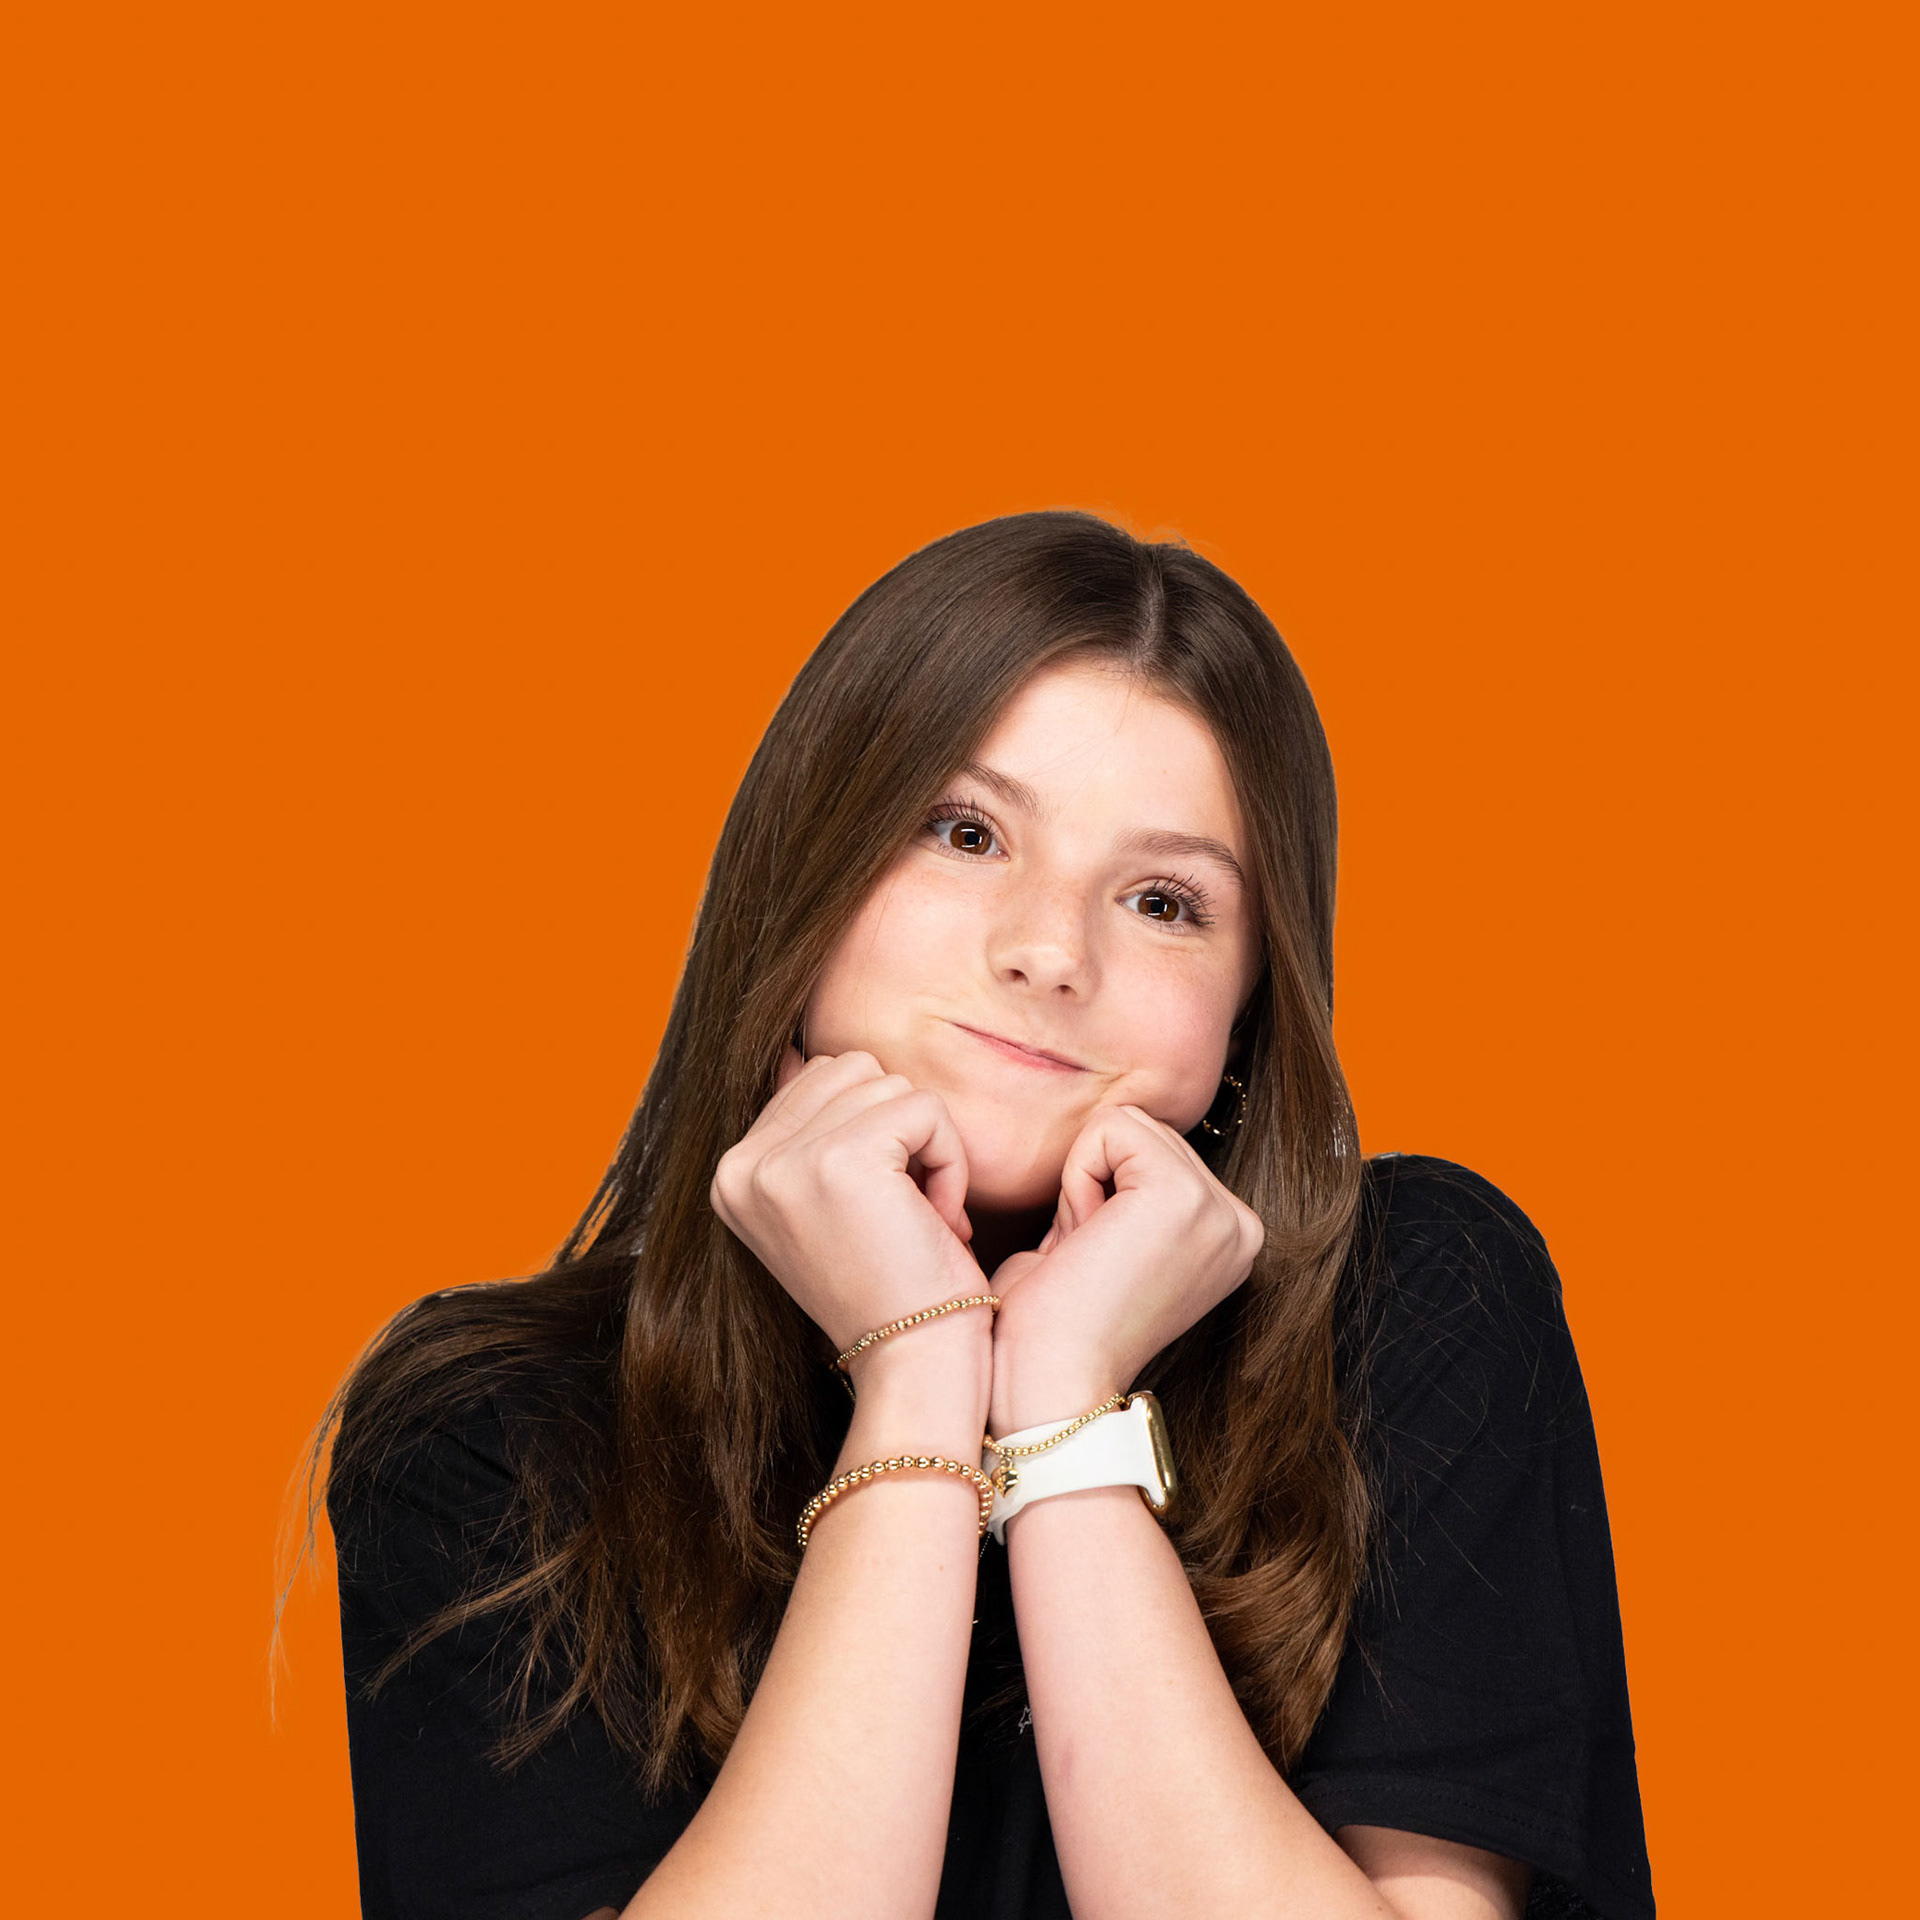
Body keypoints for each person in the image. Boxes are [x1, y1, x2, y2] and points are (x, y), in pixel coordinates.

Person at [320, 511, 1655, 1920]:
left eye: (1163, 901)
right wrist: (919, 1369)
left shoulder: (1410, 1303)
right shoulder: (488, 1432)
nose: (1049, 952)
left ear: (1248, 1014)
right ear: (807, 876)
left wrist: (1062, 1408)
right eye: (966, 833)